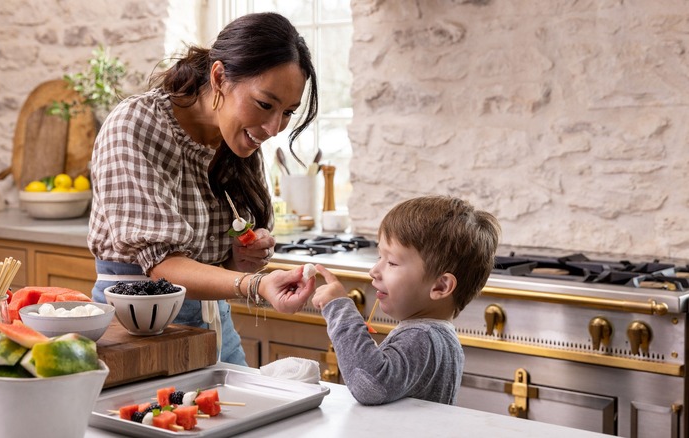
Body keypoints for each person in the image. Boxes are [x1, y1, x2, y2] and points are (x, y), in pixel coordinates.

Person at [87, 12, 319, 366]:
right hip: (133, 330)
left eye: (287, 112)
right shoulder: (136, 124)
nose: (274, 128)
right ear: (220, 77)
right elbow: (161, 266)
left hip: (213, 324)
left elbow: (211, 261)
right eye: (265, 104)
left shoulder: (237, 141)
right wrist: (255, 284)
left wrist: (239, 258)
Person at [311, 196, 501, 405]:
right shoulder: (433, 335)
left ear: (441, 286)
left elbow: (369, 385)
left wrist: (339, 309)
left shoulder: (422, 337)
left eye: (391, 262)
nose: (374, 271)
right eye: (379, 257)